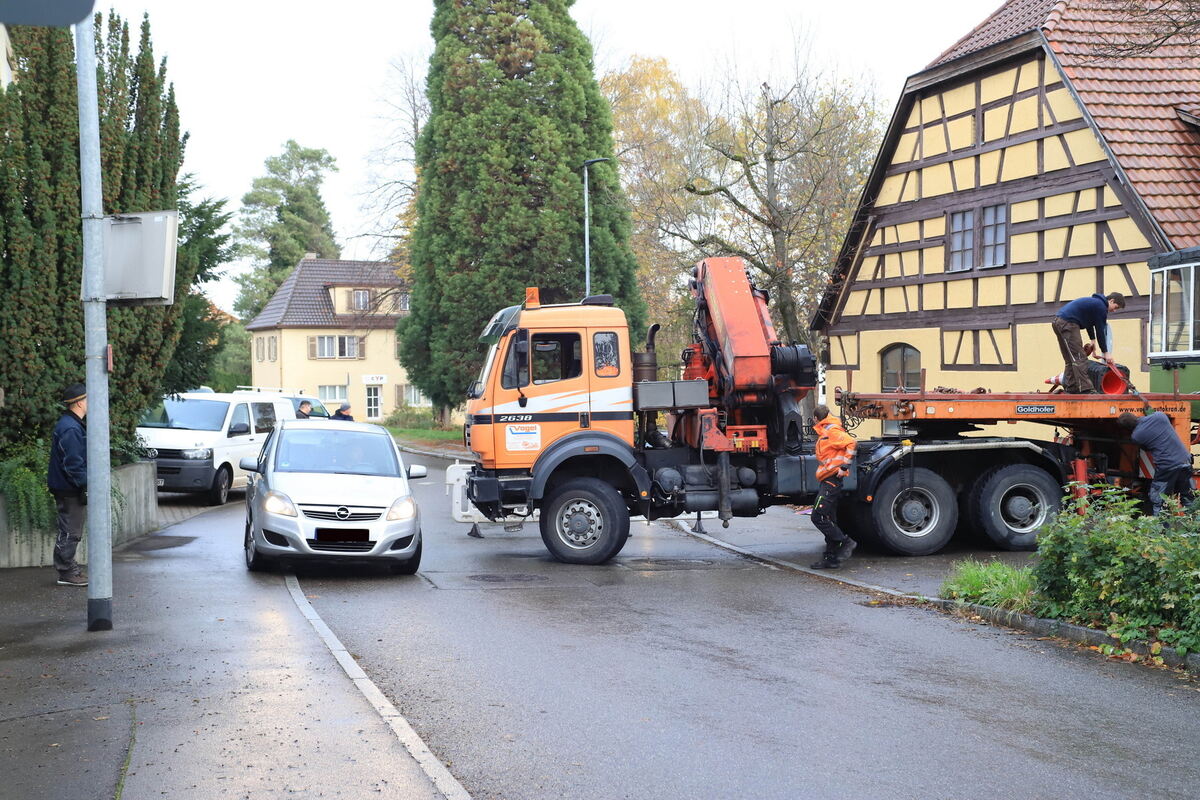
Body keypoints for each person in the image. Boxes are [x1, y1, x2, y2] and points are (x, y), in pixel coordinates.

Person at [47, 383, 89, 586]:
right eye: (89, 399)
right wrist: (86, 484)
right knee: (70, 531)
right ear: (80, 403)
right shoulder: (70, 428)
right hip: (68, 487)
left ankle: (68, 568)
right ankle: (66, 571)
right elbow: (73, 464)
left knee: (71, 529)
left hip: (67, 486)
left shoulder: (71, 424)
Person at [809, 405, 858, 570]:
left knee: (818, 516)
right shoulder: (826, 432)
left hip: (832, 480)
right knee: (829, 519)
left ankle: (845, 542)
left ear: (816, 419)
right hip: (827, 479)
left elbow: (852, 443)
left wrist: (844, 467)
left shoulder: (832, 431)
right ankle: (831, 558)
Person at [1118, 410, 1195, 515]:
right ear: (1135, 416)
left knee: (1159, 499)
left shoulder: (1136, 436)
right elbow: (1153, 413)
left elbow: (1146, 448)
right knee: (1188, 497)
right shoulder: (1160, 416)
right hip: (1185, 461)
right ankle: (1195, 525)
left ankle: (1161, 529)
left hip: (1167, 467)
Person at [1052, 292, 1125, 393]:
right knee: (1080, 358)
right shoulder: (1101, 307)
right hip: (1068, 323)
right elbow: (1100, 331)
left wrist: (1092, 341)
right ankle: (1086, 389)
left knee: (1070, 359)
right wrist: (1106, 353)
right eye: (1116, 307)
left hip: (1058, 322)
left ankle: (1071, 387)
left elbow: (1089, 323)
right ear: (1111, 301)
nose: (1114, 310)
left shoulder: (1095, 303)